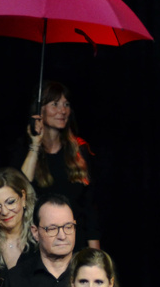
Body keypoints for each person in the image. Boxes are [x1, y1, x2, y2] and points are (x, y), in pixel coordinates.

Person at [16, 81, 101, 248]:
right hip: (38, 245)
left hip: (75, 244)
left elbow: (90, 208)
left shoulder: (80, 150)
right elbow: (20, 189)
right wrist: (35, 144)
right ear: (39, 110)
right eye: (55, 104)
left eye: (66, 104)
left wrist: (95, 254)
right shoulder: (24, 150)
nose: (62, 111)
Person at [6, 195, 78, 287]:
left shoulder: (92, 275)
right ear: (35, 232)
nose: (62, 236)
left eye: (68, 227)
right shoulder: (16, 280)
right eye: (52, 229)